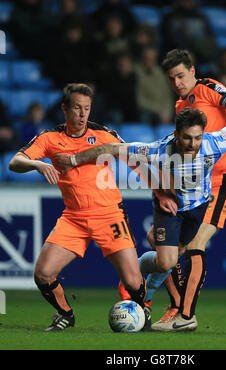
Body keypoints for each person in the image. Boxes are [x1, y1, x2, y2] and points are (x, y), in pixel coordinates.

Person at [53, 107, 226, 331]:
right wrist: (74, 160)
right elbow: (112, 149)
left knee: (170, 259)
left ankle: (147, 274)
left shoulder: (213, 143)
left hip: (199, 207)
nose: (193, 144)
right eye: (188, 138)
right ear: (176, 134)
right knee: (167, 262)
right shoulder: (157, 150)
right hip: (169, 206)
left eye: (198, 137)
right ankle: (137, 273)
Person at [8, 83, 149, 332]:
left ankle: (142, 315)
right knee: (42, 274)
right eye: (77, 108)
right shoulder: (50, 138)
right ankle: (65, 314)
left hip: (109, 215)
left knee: (133, 281)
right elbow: (15, 162)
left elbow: (134, 156)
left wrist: (160, 188)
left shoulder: (103, 134)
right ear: (64, 108)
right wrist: (38, 165)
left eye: (87, 108)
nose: (83, 114)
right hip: (74, 218)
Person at [135, 48, 226, 328]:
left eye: (180, 75)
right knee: (159, 242)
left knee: (196, 245)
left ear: (192, 71)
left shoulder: (209, 87)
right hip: (194, 189)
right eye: (171, 78)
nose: (176, 82)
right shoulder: (180, 107)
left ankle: (185, 315)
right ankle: (168, 301)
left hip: (221, 181)